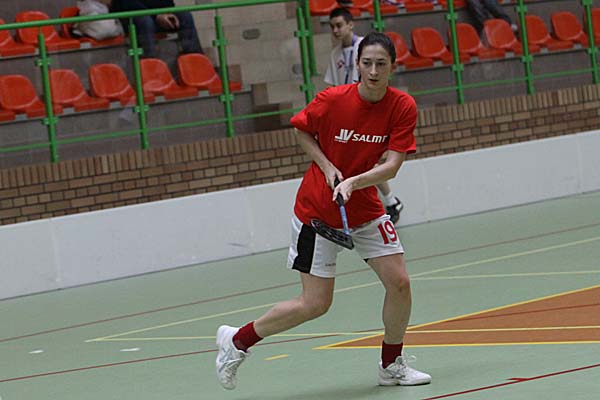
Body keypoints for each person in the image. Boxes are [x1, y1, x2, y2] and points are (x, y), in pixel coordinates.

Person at [215, 32, 431, 391]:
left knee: (400, 283)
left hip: (363, 205)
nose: (373, 71)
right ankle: (237, 340)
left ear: (392, 67)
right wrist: (328, 167)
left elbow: (392, 166)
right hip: (317, 212)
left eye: (381, 64)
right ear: (356, 64)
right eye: (367, 63)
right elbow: (301, 130)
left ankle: (391, 364)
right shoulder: (333, 100)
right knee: (315, 304)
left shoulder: (402, 106)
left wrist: (353, 182)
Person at [325, 7, 404, 224]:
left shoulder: (367, 47)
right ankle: (389, 202)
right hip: (345, 112)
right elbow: (333, 86)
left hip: (366, 110)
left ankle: (389, 202)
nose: (336, 30)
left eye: (339, 25)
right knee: (358, 163)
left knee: (365, 161)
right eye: (332, 27)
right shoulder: (335, 54)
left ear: (351, 24)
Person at [109, 0, 203, 58]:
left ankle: (194, 59)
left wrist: (167, 13)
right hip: (130, 17)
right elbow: (127, 4)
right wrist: (156, 16)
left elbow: (168, 3)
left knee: (185, 16)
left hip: (156, 16)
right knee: (145, 21)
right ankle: (151, 63)